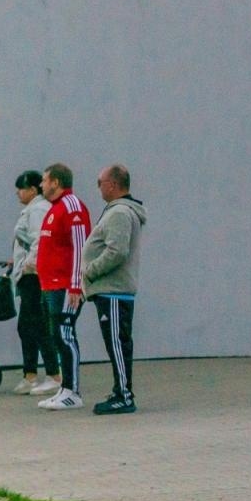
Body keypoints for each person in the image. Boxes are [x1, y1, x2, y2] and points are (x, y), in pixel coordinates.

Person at [81, 164, 146, 415]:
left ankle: (124, 395)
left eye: (100, 182)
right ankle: (120, 389)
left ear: (112, 184)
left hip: (114, 291)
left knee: (117, 343)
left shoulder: (119, 212)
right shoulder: (118, 211)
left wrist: (90, 270)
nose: (98, 187)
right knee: (116, 343)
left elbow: (117, 251)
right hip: (110, 291)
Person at [32, 163, 92, 410]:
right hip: (50, 285)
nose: (41, 185)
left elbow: (81, 247)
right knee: (57, 336)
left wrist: (76, 285)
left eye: (45, 181)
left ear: (56, 182)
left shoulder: (72, 206)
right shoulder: (54, 209)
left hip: (66, 286)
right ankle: (65, 388)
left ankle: (73, 393)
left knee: (65, 336)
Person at [9, 169, 60, 396]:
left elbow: (41, 240)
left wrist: (30, 265)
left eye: (21, 188)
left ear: (32, 189)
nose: (18, 193)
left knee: (37, 325)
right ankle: (30, 375)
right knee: (27, 326)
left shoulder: (39, 209)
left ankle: (53, 374)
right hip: (27, 274)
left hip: (34, 276)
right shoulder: (31, 209)